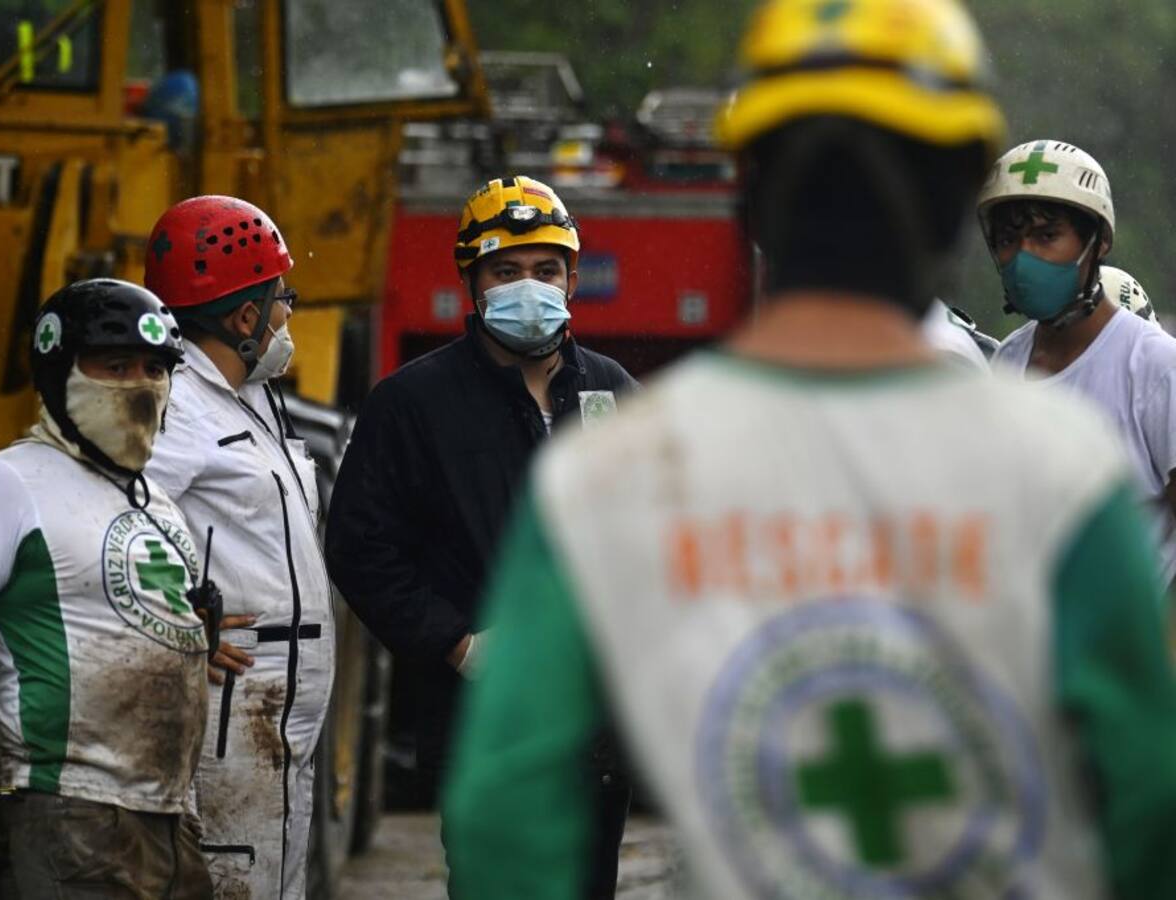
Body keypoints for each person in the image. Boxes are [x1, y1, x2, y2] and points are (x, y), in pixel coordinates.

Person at [442, 2, 1176, 899]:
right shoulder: (1067, 480)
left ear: (748, 191)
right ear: (957, 209)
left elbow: (502, 812)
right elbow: (1142, 811)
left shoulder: (608, 478)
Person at [325, 175, 636, 897]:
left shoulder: (612, 392)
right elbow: (360, 547)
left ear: (572, 278)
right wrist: (455, 640)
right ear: (472, 280)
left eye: (545, 270)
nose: (528, 287)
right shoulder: (412, 405)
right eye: (506, 271)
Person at [0, 279, 214, 898]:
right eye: (115, 365)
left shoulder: (157, 503)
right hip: (68, 812)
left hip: (170, 815)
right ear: (59, 369)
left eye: (155, 368)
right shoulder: (5, 484)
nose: (140, 383)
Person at [143, 195, 334, 899]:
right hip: (237, 704)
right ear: (245, 317)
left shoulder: (245, 394)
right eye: (281, 299)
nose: (288, 315)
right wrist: (172, 614)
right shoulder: (180, 404)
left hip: (278, 709)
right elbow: (119, 516)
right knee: (232, 879)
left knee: (275, 873)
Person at [982, 142, 1176, 585]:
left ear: (1098, 241)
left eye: (1047, 236)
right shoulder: (1009, 361)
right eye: (1009, 240)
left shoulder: (1154, 365)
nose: (1024, 257)